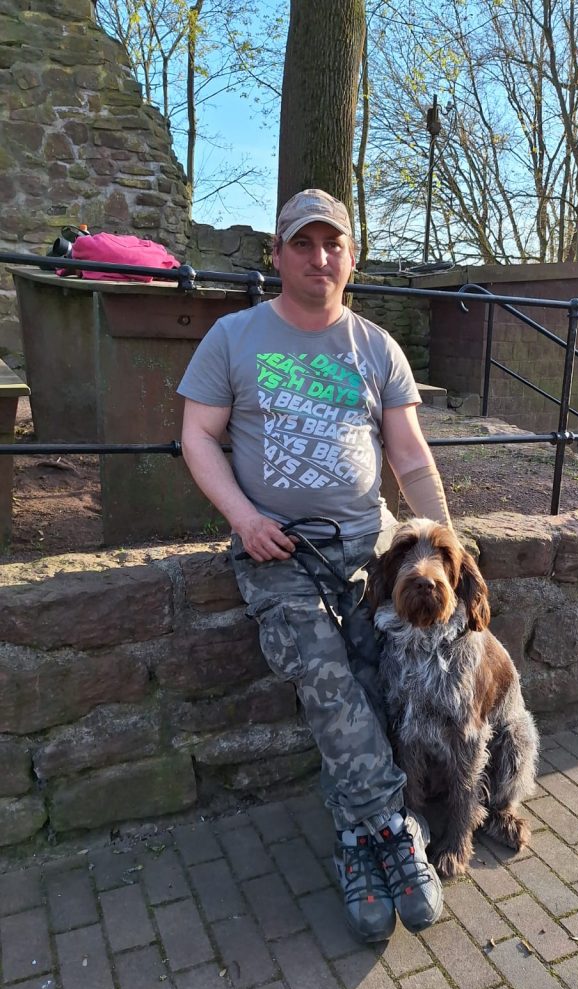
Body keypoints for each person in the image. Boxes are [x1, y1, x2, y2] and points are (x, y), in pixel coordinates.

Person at [177, 188, 452, 943]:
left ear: (351, 258)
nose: (319, 257)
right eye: (302, 243)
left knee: (374, 684)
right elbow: (197, 437)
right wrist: (244, 519)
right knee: (328, 680)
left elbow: (410, 459)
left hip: (369, 550)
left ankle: (356, 838)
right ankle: (393, 829)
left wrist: (445, 543)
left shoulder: (377, 347)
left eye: (333, 244)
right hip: (279, 551)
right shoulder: (233, 337)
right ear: (277, 255)